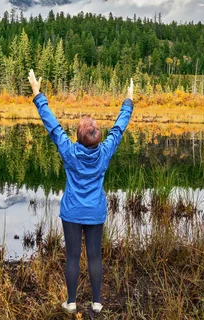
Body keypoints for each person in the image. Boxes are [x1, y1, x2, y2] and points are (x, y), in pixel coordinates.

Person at [28, 69, 134, 314]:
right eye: (94, 125)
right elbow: (119, 128)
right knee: (95, 257)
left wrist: (37, 93)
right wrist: (128, 101)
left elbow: (52, 125)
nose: (94, 124)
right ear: (96, 137)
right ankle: (97, 304)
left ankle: (71, 302)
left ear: (78, 136)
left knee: (73, 257)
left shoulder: (69, 150)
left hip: (73, 212)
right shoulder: (105, 151)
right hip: (94, 211)